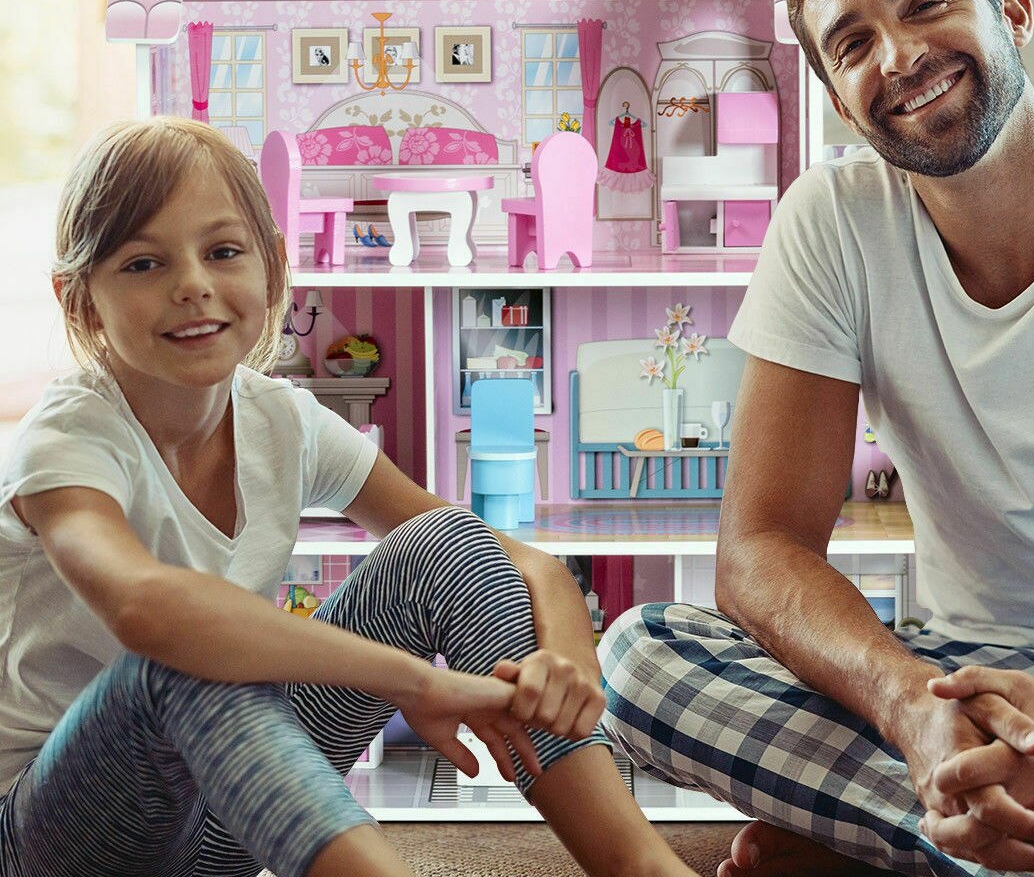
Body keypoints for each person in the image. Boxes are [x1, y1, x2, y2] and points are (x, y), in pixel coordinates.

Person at [599, 0, 1034, 876]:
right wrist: (912, 713)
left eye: (925, 4)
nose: (901, 55)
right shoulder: (831, 222)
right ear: (838, 97)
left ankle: (896, 840)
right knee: (638, 660)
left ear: (1011, 9)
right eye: (853, 43)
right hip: (953, 679)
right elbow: (759, 552)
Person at [0, 118, 696, 877]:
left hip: (223, 814)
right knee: (183, 661)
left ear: (271, 267)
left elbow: (514, 560)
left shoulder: (281, 421)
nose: (193, 283)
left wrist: (568, 666)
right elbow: (148, 611)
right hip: (59, 835)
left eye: (224, 251)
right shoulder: (66, 439)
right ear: (82, 300)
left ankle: (642, 866)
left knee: (447, 546)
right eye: (142, 262)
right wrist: (413, 680)